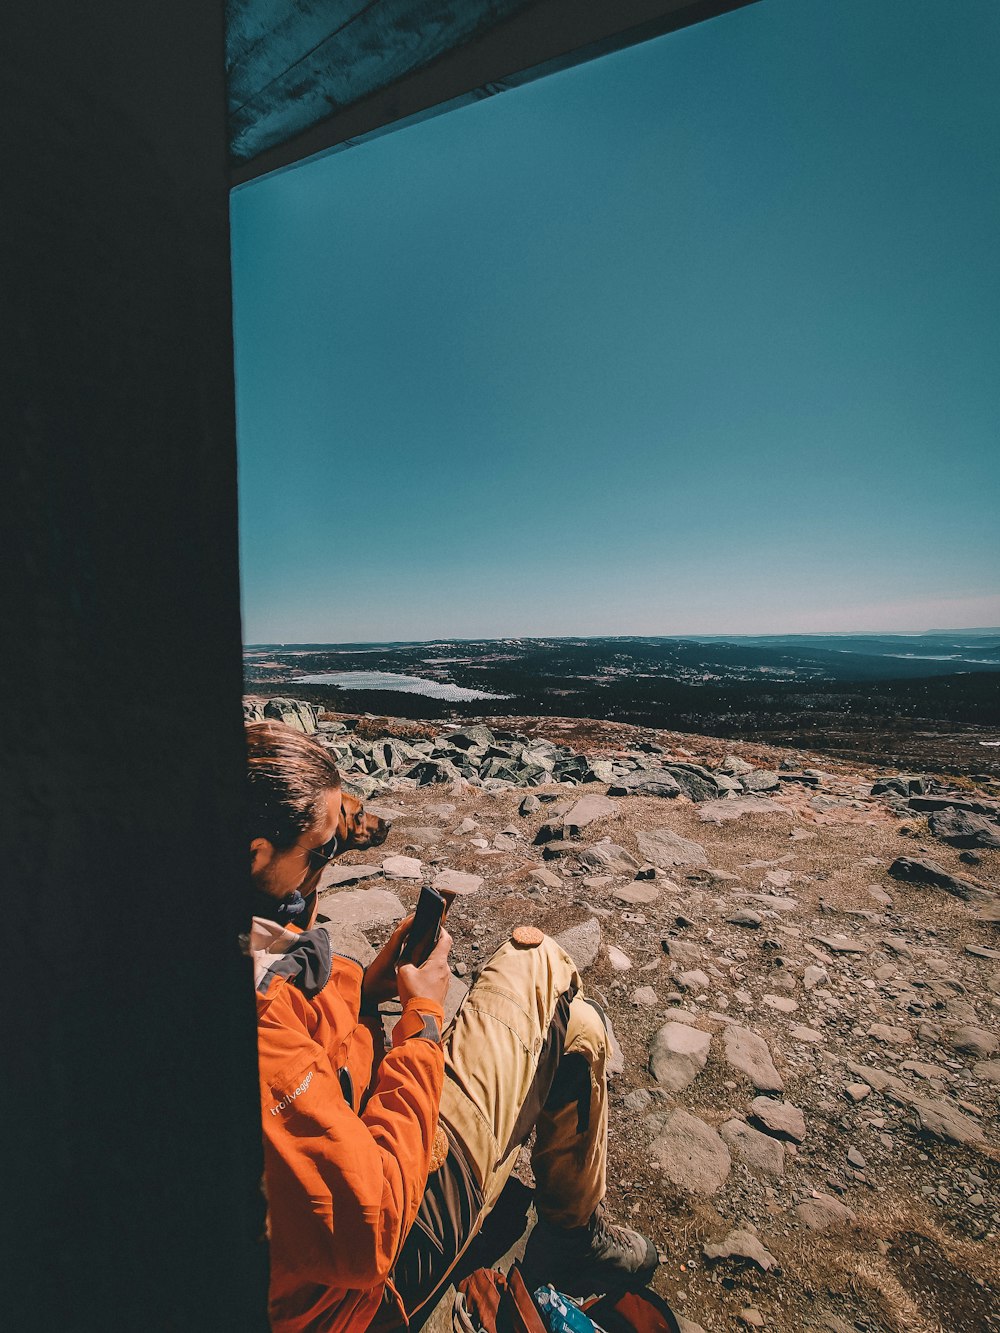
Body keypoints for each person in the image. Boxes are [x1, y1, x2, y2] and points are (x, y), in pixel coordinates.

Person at [245, 720, 658, 1332]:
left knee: (580, 1027)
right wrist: (422, 1025)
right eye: (320, 850)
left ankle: (573, 1231)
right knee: (541, 967)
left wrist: (365, 987)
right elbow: (371, 1228)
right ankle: (573, 1238)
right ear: (254, 853)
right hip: (358, 1293)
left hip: (331, 1180)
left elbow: (293, 1023)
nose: (321, 872)